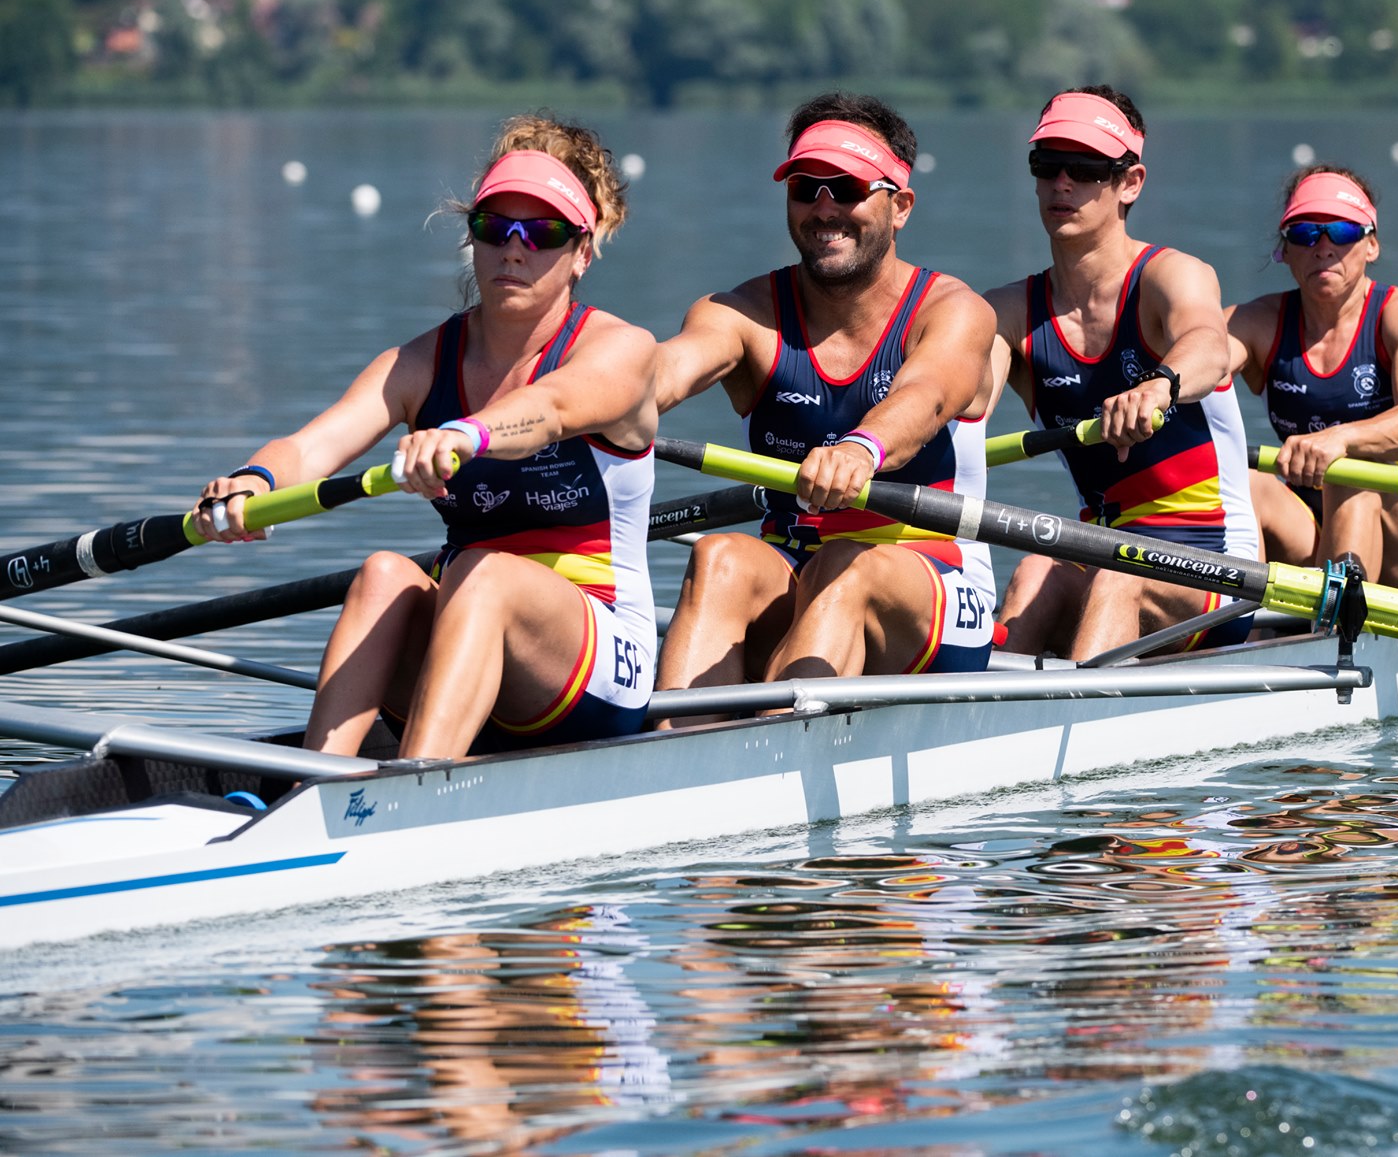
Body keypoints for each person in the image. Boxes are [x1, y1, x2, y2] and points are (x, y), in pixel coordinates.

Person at [193, 115, 660, 760]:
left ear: (582, 252)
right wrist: (255, 481)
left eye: (543, 232)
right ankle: (310, 786)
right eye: (494, 228)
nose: (514, 249)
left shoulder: (621, 351)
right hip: (467, 636)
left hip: (597, 658)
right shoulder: (418, 364)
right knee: (385, 573)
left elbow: (549, 410)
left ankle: (413, 792)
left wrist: (464, 434)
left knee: (483, 572)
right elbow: (309, 447)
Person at [652, 92, 999, 692]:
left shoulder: (953, 311)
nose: (823, 207)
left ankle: (769, 746)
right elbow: (660, 374)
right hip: (792, 563)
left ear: (901, 206)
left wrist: (862, 449)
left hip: (937, 584)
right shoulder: (742, 314)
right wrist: (558, 408)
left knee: (845, 565)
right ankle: (666, 755)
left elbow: (928, 393)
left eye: (846, 188)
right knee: (719, 557)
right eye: (805, 187)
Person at [986, 85, 1259, 660]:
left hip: (1221, 566)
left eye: (1084, 169)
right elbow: (960, 400)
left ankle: (1078, 732)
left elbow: (1207, 345)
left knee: (1118, 574)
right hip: (1112, 548)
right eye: (1047, 165)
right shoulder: (1009, 313)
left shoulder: (1172, 276)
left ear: (1129, 183)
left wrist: (1162, 385)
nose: (1061, 184)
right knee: (1036, 569)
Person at [1226, 165, 1398, 591]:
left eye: (1341, 232)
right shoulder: (1258, 322)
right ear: (1286, 250)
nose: (1323, 248)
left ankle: (1331, 636)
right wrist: (1158, 387)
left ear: (1371, 245)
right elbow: (1198, 362)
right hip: (1320, 525)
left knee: (1351, 470)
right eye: (1306, 234)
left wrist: (1339, 438)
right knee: (1244, 483)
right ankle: (1232, 635)